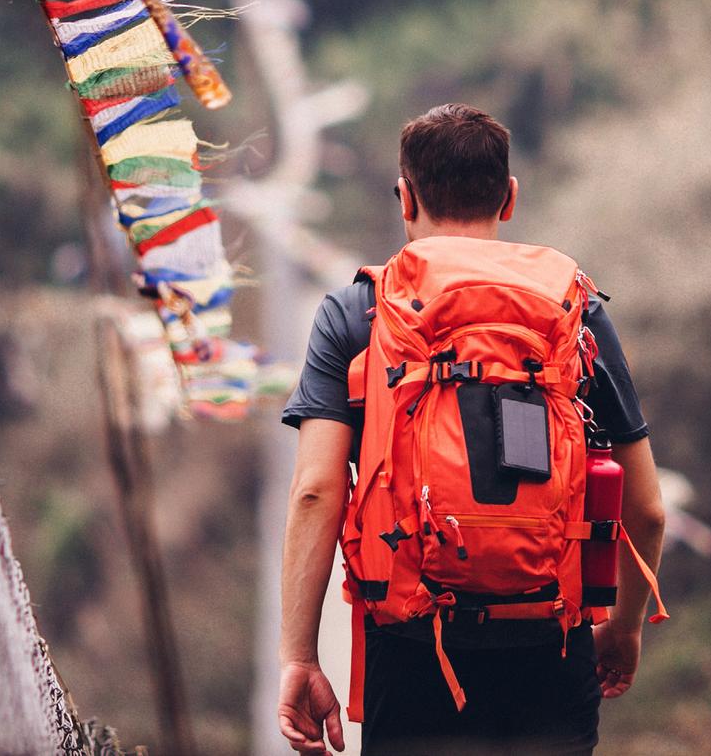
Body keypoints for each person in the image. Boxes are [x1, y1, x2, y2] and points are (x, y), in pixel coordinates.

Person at [278, 104, 666, 756]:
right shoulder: (576, 310)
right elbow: (647, 507)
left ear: (405, 197)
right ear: (509, 198)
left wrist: (300, 655)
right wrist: (625, 627)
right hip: (552, 645)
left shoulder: (358, 313)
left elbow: (317, 490)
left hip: (411, 652)